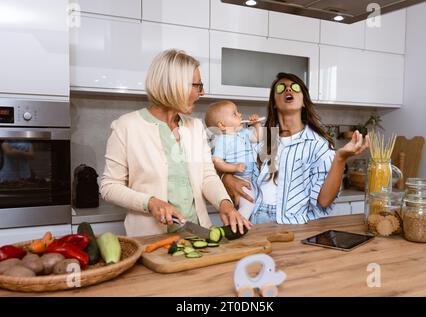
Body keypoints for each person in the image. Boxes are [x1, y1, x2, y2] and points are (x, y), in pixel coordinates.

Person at [100, 49, 252, 237]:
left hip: (198, 234)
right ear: (175, 85)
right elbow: (109, 186)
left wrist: (224, 203)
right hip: (150, 240)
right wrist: (151, 202)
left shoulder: (195, 127)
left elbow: (207, 176)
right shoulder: (126, 126)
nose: (202, 92)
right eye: (198, 85)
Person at [222, 72, 369, 224]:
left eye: (295, 87)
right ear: (274, 102)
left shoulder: (318, 145)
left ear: (304, 101)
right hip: (253, 220)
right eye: (281, 88)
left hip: (293, 225)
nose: (288, 90)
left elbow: (324, 200)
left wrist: (340, 158)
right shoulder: (261, 139)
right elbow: (233, 168)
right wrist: (227, 178)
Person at [204, 100, 263, 220]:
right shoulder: (222, 140)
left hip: (253, 177)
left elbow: (258, 138)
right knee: (248, 204)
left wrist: (257, 125)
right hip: (239, 179)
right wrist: (234, 168)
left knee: (256, 203)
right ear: (222, 125)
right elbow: (217, 162)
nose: (240, 115)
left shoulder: (243, 132)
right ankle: (238, 224)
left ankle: (242, 224)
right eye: (234, 114)